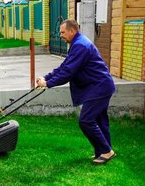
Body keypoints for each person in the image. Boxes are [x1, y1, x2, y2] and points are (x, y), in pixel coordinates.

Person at [36, 19, 116, 165]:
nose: (60, 35)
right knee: (99, 120)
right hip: (100, 85)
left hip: (99, 87)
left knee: (86, 121)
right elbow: (64, 66)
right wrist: (46, 77)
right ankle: (103, 151)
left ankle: (106, 151)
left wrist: (48, 84)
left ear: (72, 31)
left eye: (63, 32)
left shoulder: (80, 46)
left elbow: (68, 71)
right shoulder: (77, 44)